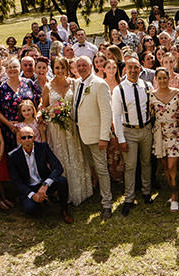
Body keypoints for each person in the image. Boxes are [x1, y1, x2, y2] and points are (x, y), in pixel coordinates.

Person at [41, 56, 92, 207]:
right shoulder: (48, 86)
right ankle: (63, 192)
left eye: (63, 67)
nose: (60, 70)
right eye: (57, 67)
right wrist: (51, 113)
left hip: (71, 125)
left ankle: (80, 190)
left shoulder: (74, 83)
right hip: (56, 128)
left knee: (76, 155)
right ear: (53, 69)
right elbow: (43, 107)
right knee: (60, 156)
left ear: (67, 68)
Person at [112, 56, 155, 215]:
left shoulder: (147, 85)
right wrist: (121, 138)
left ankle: (146, 192)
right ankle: (129, 198)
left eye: (136, 67)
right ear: (125, 70)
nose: (133, 71)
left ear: (140, 69)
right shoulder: (119, 89)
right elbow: (116, 116)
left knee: (146, 162)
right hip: (129, 131)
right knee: (130, 166)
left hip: (145, 129)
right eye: (130, 68)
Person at [73, 55, 114, 218]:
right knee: (91, 166)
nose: (81, 67)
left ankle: (107, 203)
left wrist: (104, 136)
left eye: (84, 65)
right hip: (81, 134)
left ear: (91, 66)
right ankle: (95, 192)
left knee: (102, 169)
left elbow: (106, 112)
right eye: (79, 65)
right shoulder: (77, 83)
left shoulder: (99, 84)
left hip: (97, 135)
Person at [7, 126, 73, 223]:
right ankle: (39, 201)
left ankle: (64, 210)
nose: (27, 140)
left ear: (34, 137)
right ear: (19, 139)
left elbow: (58, 167)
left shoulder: (43, 147)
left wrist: (45, 185)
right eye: (23, 138)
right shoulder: (13, 156)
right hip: (29, 187)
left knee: (62, 181)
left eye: (29, 137)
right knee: (30, 210)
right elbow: (16, 181)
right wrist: (32, 195)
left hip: (44, 183)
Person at [150, 67, 179, 211]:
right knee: (165, 167)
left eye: (164, 77)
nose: (162, 80)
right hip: (159, 134)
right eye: (159, 78)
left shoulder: (178, 94)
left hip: (174, 133)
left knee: (172, 165)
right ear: (156, 79)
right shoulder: (152, 95)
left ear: (169, 78)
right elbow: (150, 114)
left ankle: (175, 198)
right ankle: (173, 192)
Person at [0, 58, 39, 150]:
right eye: (9, 67)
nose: (12, 69)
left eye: (15, 66)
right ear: (6, 70)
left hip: (31, 127)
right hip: (12, 130)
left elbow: (39, 100)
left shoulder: (28, 83)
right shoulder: (2, 88)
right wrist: (8, 124)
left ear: (20, 68)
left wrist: (37, 116)